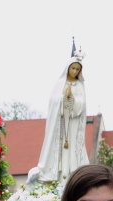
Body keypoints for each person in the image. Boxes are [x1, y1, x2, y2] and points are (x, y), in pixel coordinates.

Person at [30, 48, 89, 184]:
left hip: (73, 124)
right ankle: (58, 176)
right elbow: (53, 102)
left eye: (77, 70)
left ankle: (72, 175)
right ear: (68, 68)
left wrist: (71, 99)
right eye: (73, 68)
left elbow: (82, 104)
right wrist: (63, 98)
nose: (74, 71)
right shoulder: (59, 84)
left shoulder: (80, 85)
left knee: (73, 149)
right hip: (60, 123)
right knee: (59, 148)